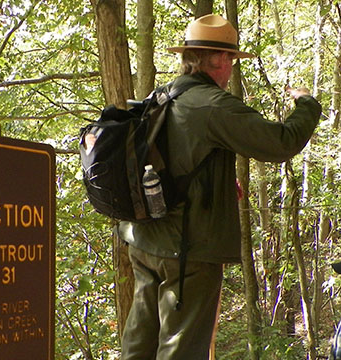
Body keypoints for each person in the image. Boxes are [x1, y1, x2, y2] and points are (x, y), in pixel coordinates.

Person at [117, 14, 322, 359]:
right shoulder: (213, 105)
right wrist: (307, 104)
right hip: (187, 251)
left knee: (139, 344)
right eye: (230, 59)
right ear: (221, 60)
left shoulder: (161, 96)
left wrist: (222, 183)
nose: (230, 68)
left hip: (142, 239)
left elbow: (172, 162)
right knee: (180, 349)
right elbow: (281, 143)